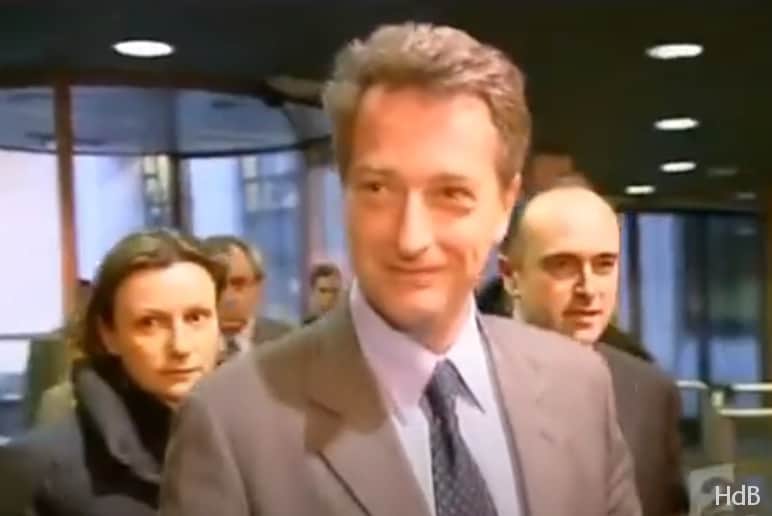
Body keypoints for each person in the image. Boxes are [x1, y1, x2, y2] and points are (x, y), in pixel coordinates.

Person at [160, 23, 640, 516]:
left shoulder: (578, 386)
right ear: (344, 192)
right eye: (378, 190)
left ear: (504, 205)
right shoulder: (233, 424)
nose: (411, 238)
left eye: (450, 194)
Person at [0, 229, 225, 516]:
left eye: (195, 318)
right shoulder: (36, 468)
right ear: (109, 335)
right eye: (149, 323)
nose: (180, 346)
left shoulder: (261, 442)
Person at [501, 185, 687, 516]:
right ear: (511, 276)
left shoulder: (650, 391)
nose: (588, 289)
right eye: (563, 265)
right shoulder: (465, 381)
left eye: (604, 265)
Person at [201, 235, 293, 360]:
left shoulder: (289, 341)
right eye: (218, 285)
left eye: (238, 284)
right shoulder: (185, 344)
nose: (228, 297)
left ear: (259, 286)